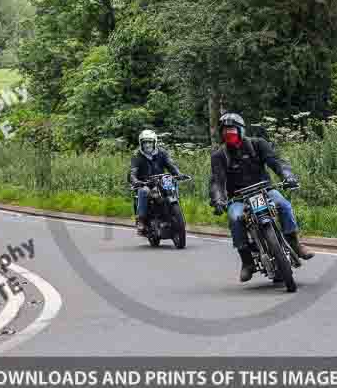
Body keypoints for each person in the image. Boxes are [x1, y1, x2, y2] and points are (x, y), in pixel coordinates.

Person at [208, 113, 314, 282]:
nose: (230, 134)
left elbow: (277, 162)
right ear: (221, 134)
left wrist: (287, 176)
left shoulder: (259, 144)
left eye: (233, 130)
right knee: (235, 218)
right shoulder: (219, 156)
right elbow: (216, 181)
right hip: (239, 198)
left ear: (241, 130)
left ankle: (295, 243)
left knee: (284, 205)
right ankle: (247, 261)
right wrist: (218, 199)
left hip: (266, 190)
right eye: (226, 132)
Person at [129, 129, 184, 235]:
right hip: (145, 183)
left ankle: (174, 211)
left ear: (154, 142)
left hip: (161, 180)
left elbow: (171, 165)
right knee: (143, 191)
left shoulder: (162, 152)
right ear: (141, 143)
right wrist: (135, 180)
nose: (147, 145)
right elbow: (132, 171)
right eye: (145, 142)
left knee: (172, 185)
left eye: (149, 142)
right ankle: (141, 220)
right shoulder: (137, 155)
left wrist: (179, 174)